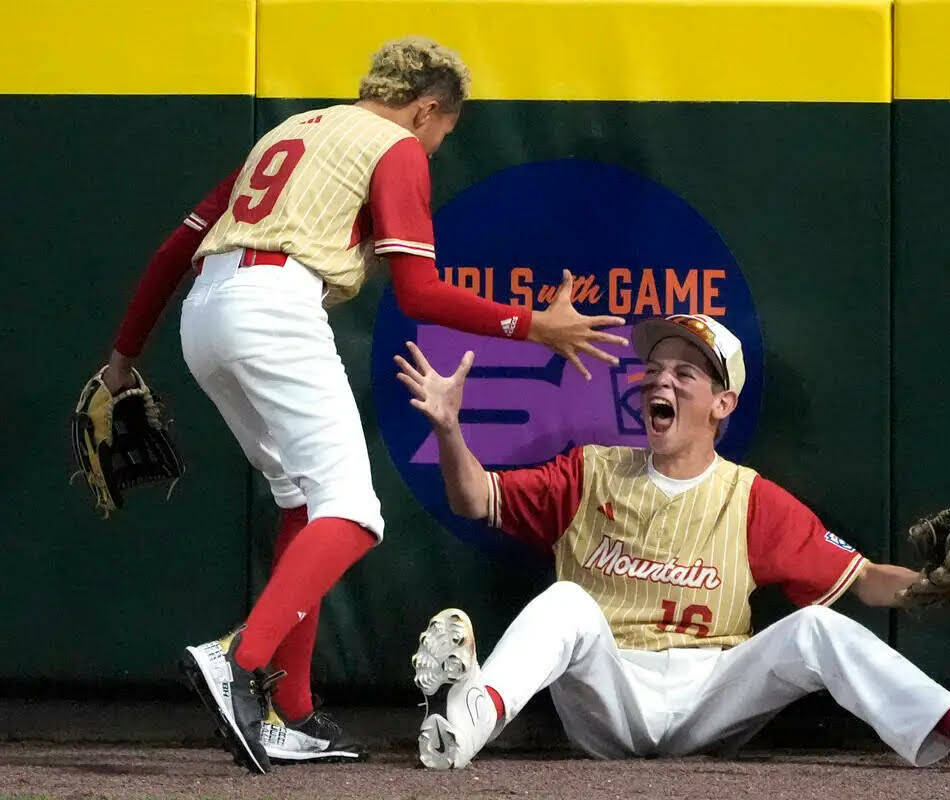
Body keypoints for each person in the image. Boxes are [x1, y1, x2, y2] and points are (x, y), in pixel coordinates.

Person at [101, 36, 628, 774]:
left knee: (305, 504)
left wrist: (124, 357)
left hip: (206, 313)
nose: (438, 148)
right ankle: (238, 659)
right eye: (444, 132)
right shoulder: (397, 145)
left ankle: (291, 712)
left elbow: (171, 251)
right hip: (276, 308)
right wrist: (535, 325)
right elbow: (419, 294)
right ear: (428, 107)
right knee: (353, 512)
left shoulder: (287, 133)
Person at [394, 313, 950, 769]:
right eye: (654, 369)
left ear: (721, 404)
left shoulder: (751, 498)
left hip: (711, 694)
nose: (662, 381)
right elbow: (476, 498)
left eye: (685, 373)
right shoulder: (589, 470)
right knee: (566, 602)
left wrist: (930, 583)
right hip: (610, 688)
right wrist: (451, 431)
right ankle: (469, 719)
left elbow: (864, 578)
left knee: (817, 628)